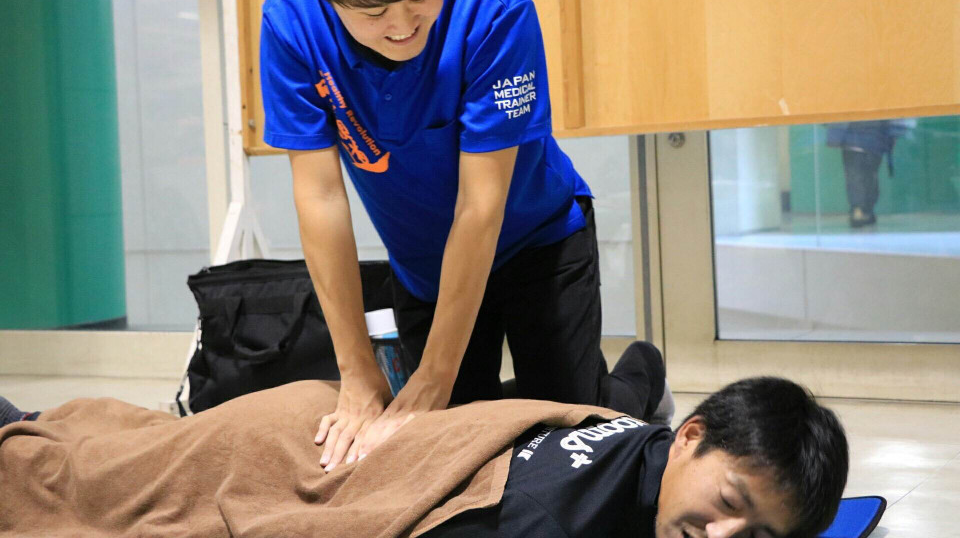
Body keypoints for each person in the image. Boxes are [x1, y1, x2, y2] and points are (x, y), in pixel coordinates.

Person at [262, 0, 661, 472]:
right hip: (423, 266)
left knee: (572, 437)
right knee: (449, 445)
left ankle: (642, 376)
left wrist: (434, 378)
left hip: (539, 242)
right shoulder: (292, 22)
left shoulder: (493, 10)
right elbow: (320, 198)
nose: (402, 26)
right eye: (373, 12)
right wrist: (357, 374)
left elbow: (481, 207)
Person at [0, 375, 848, 538]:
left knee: (117, 439)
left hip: (324, 420)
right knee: (64, 476)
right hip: (294, 451)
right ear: (691, 436)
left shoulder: (648, 447)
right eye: (730, 502)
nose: (724, 536)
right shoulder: (546, 521)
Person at [826, 120, 913, 228]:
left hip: (862, 138)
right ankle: (863, 209)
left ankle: (860, 210)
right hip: (871, 138)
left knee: (857, 175)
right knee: (866, 175)